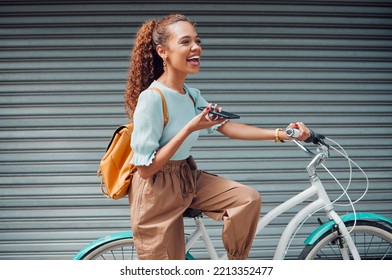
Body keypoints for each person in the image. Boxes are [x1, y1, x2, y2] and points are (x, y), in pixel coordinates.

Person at [124, 14, 311, 260]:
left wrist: (282, 134)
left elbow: (229, 128)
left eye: (197, 40)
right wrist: (189, 128)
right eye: (185, 42)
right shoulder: (153, 98)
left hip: (185, 176)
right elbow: (145, 170)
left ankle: (235, 265)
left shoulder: (191, 95)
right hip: (155, 190)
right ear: (163, 51)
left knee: (247, 199)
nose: (196, 47)